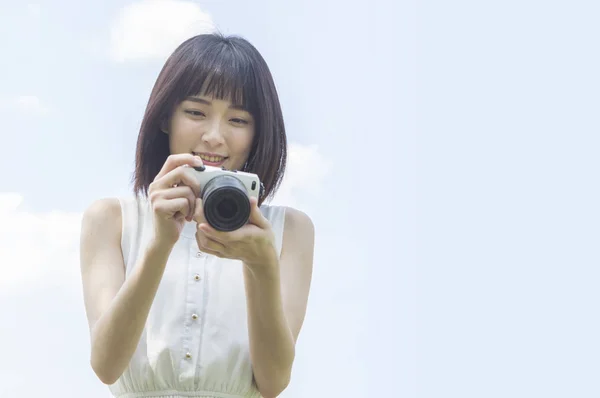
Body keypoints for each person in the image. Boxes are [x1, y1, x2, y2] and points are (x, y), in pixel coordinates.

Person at [79, 33, 315, 398]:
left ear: (257, 132)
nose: (215, 136)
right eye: (195, 112)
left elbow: (273, 381)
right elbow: (107, 364)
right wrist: (159, 245)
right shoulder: (110, 219)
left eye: (238, 120)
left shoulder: (290, 230)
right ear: (165, 118)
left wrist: (261, 265)